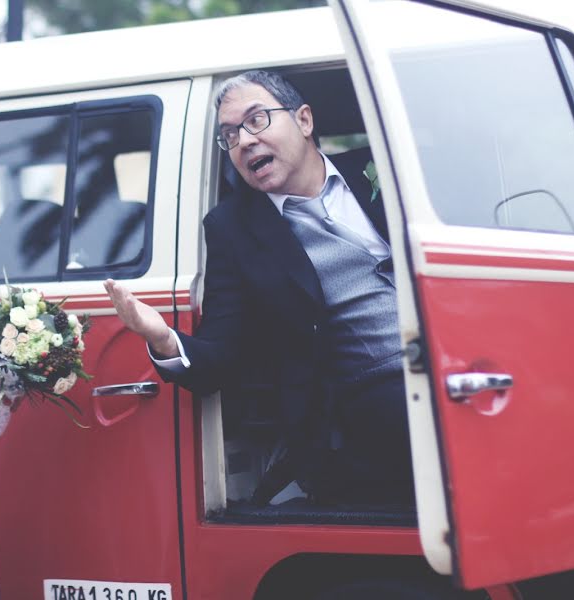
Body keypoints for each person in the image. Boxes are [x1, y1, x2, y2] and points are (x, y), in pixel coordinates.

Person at [104, 70, 413, 506]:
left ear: (304, 121)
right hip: (369, 396)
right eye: (230, 135)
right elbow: (221, 356)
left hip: (460, 360)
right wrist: (162, 338)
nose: (244, 142)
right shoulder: (233, 229)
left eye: (256, 121)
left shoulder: (385, 169)